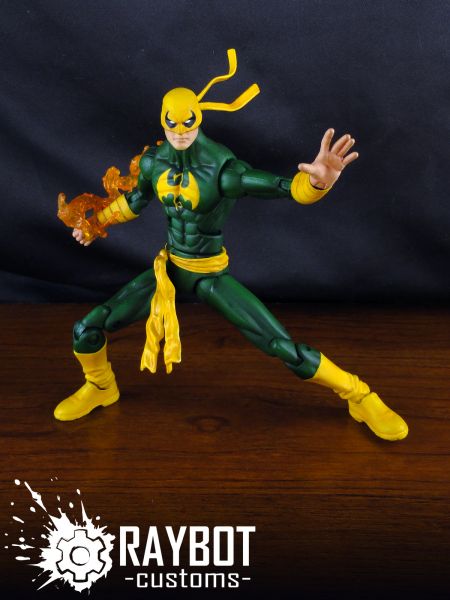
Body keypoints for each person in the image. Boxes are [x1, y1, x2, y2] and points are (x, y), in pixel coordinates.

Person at [54, 49, 408, 441]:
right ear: (162, 120)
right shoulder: (155, 163)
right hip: (169, 270)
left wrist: (316, 182)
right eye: (172, 123)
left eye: (188, 122)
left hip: (209, 275)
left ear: (199, 118)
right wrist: (97, 223)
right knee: (87, 328)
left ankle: (360, 395)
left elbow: (280, 187)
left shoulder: (221, 169)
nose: (180, 131)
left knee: (281, 346)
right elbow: (135, 200)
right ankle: (101, 386)